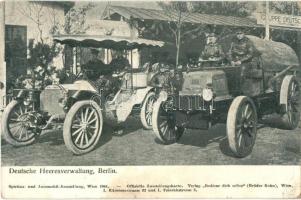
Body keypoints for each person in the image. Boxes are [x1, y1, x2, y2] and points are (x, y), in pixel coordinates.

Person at [228, 28, 262, 96]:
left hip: (248, 62)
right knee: (229, 71)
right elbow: (230, 52)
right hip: (236, 62)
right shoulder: (233, 42)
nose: (239, 35)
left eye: (240, 34)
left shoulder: (248, 42)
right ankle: (231, 90)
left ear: (243, 34)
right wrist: (231, 60)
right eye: (238, 34)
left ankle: (241, 91)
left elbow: (250, 54)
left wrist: (241, 61)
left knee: (242, 73)